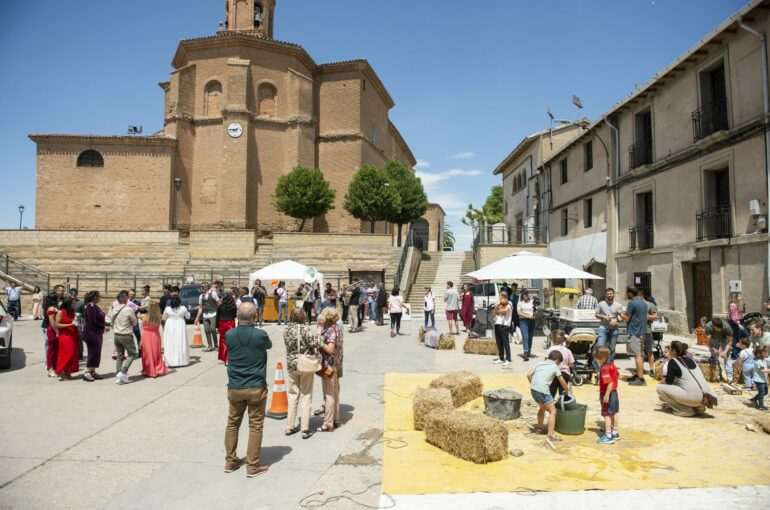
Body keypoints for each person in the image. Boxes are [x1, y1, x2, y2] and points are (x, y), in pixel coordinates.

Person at [223, 302, 272, 477]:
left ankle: (230, 461)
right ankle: (252, 465)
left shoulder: (229, 334)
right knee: (255, 426)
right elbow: (268, 345)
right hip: (255, 386)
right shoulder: (260, 335)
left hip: (235, 386)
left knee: (233, 424)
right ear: (254, 316)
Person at [283, 307, 321, 439]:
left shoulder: (287, 329)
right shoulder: (305, 329)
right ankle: (305, 429)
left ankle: (290, 426)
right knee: (306, 395)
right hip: (305, 363)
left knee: (293, 395)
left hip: (291, 363)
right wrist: (319, 332)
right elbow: (315, 343)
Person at [656, 340, 715, 417]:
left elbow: (669, 381)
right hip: (706, 396)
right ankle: (698, 408)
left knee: (660, 389)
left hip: (694, 397)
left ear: (674, 351)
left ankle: (683, 410)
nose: (668, 351)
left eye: (669, 349)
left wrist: (662, 381)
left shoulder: (673, 361)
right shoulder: (691, 360)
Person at [527, 350, 569, 442]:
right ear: (557, 360)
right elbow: (561, 380)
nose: (558, 365)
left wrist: (533, 384)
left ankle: (539, 428)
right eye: (559, 363)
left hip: (534, 390)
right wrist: (567, 390)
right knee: (552, 411)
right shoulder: (554, 367)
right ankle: (551, 434)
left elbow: (529, 374)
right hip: (543, 391)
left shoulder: (539, 363)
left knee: (542, 408)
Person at [317, 307, 343, 433]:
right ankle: (335, 419)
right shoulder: (336, 327)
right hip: (335, 365)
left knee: (329, 395)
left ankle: (328, 423)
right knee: (334, 392)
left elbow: (330, 349)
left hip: (329, 366)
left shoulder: (331, 330)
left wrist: (320, 340)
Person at [108, 291, 139, 385]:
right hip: (125, 334)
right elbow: (134, 322)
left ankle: (118, 374)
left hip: (117, 334)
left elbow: (108, 319)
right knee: (133, 354)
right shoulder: (128, 309)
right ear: (125, 300)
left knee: (120, 355)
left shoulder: (114, 309)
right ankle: (123, 372)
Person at [621, 286, 648, 386]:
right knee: (639, 354)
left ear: (630, 293)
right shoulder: (643, 303)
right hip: (642, 332)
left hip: (634, 332)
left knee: (637, 356)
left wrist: (619, 313)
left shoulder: (631, 303)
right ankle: (638, 374)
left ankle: (641, 379)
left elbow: (627, 319)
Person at [593, 345, 620, 444]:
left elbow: (609, 382)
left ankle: (608, 435)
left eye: (597, 359)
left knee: (607, 414)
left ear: (602, 358)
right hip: (614, 392)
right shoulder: (612, 364)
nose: (596, 361)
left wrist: (606, 394)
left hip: (608, 393)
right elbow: (616, 375)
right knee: (615, 412)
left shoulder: (604, 368)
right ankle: (615, 432)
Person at [82, 290, 108, 382]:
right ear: (95, 297)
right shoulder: (91, 306)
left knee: (96, 352)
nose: (100, 297)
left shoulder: (94, 306)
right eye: (99, 296)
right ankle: (87, 372)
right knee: (93, 352)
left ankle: (92, 371)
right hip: (91, 332)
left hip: (96, 332)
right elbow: (93, 321)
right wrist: (103, 327)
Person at [138, 302, 168, 378]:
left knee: (147, 354)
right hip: (155, 335)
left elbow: (135, 313)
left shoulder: (143, 316)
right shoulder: (160, 316)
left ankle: (148, 370)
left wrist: (142, 308)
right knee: (156, 353)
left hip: (146, 336)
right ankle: (157, 369)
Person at [53, 298, 80, 381]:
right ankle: (61, 371)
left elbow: (74, 322)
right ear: (68, 304)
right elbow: (57, 324)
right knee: (68, 353)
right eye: (73, 303)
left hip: (73, 334)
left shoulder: (73, 313)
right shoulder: (61, 312)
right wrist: (70, 325)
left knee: (74, 354)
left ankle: (68, 371)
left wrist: (76, 324)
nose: (74, 304)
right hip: (65, 335)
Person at [595, 288, 623, 360]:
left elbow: (622, 318)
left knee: (612, 348)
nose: (609, 295)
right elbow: (596, 314)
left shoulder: (618, 305)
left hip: (614, 329)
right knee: (600, 346)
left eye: (611, 293)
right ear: (605, 295)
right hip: (603, 328)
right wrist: (604, 316)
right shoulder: (601, 304)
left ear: (613, 294)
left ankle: (610, 365)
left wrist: (616, 321)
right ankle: (600, 365)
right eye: (608, 294)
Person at [162, 295, 190, 368]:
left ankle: (170, 361)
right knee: (180, 341)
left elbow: (163, 317)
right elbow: (188, 317)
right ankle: (182, 360)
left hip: (170, 325)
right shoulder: (183, 308)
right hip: (180, 324)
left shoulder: (167, 309)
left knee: (170, 342)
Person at [43, 286, 64, 377]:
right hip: (53, 330)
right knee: (51, 349)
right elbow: (52, 322)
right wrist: (57, 331)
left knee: (56, 350)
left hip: (55, 329)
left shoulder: (54, 307)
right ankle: (50, 368)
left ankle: (55, 367)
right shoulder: (51, 309)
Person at [545, 330, 574, 397]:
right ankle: (563, 405)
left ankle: (550, 406)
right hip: (564, 373)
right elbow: (571, 364)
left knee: (551, 392)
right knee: (563, 393)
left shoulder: (551, 349)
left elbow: (546, 361)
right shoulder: (567, 350)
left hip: (553, 373)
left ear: (553, 339)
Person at [706, 317, 734, 382]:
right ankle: (718, 374)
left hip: (724, 339)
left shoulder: (727, 327)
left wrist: (725, 352)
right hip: (714, 339)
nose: (720, 329)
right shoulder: (708, 327)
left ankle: (729, 377)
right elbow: (709, 341)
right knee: (714, 357)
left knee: (727, 357)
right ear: (713, 326)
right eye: (718, 328)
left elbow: (730, 341)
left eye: (721, 328)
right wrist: (712, 348)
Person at [195, 282, 220, 351]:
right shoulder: (201, 296)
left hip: (213, 313)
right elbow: (200, 307)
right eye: (201, 287)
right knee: (206, 330)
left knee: (212, 329)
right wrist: (197, 317)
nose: (201, 288)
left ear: (207, 287)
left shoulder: (213, 294)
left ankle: (216, 345)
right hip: (205, 314)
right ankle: (210, 346)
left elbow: (218, 302)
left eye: (202, 287)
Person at [492, 291, 513, 366]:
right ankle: (501, 358)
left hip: (505, 324)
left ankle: (508, 359)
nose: (499, 297)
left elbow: (505, 311)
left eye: (500, 296)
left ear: (503, 296)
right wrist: (497, 308)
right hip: (497, 323)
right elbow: (493, 313)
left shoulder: (509, 303)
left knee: (505, 342)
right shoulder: (498, 303)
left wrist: (498, 310)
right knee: (499, 342)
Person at [640, 290, 658, 378]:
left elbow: (655, 317)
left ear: (642, 296)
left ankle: (651, 369)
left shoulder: (650, 305)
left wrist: (648, 317)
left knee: (649, 351)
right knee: (640, 352)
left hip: (647, 331)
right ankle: (641, 368)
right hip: (638, 331)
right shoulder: (636, 305)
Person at [217, 292, 238, 363]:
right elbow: (235, 316)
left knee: (223, 341)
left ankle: (224, 358)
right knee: (231, 340)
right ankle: (231, 357)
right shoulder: (233, 306)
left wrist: (217, 327)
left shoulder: (220, 306)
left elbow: (217, 317)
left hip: (222, 323)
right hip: (231, 323)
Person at [517, 289, 536, 361]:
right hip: (523, 321)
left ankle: (529, 352)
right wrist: (528, 316)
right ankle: (525, 352)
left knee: (530, 337)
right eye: (524, 294)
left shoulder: (532, 301)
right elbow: (519, 313)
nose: (526, 295)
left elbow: (535, 311)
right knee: (525, 337)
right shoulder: (520, 302)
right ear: (522, 295)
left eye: (526, 294)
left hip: (532, 321)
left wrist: (534, 314)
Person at [728, 293, 748, 357]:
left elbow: (736, 314)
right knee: (735, 338)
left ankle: (736, 351)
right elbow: (734, 316)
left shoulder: (736, 304)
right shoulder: (733, 305)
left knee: (737, 337)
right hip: (735, 323)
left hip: (737, 322)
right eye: (739, 296)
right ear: (735, 297)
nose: (741, 297)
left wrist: (741, 311)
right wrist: (739, 324)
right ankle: (734, 353)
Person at [750, 345, 768, 410]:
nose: (767, 353)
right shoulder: (759, 361)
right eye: (766, 352)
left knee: (765, 392)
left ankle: (753, 399)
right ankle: (761, 406)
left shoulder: (763, 360)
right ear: (761, 353)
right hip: (759, 380)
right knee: (762, 393)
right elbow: (762, 370)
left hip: (763, 379)